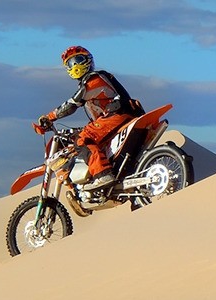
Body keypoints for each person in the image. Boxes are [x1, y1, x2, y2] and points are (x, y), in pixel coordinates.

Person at [36, 46, 144, 191]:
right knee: (88, 135)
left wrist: (50, 117)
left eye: (78, 60)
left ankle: (102, 175)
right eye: (70, 63)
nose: (75, 66)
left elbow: (72, 104)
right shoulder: (97, 81)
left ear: (88, 61)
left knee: (83, 140)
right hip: (119, 115)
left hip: (117, 114)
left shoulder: (94, 79)